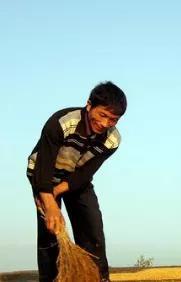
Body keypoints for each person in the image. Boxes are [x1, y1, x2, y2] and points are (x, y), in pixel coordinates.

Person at [26, 81, 127, 281]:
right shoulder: (61, 123)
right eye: (102, 115)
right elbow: (43, 165)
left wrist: (59, 190)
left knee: (93, 229)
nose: (105, 123)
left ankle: (98, 278)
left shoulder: (112, 140)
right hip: (43, 174)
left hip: (75, 179)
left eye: (113, 120)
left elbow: (84, 173)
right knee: (51, 232)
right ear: (89, 105)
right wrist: (49, 202)